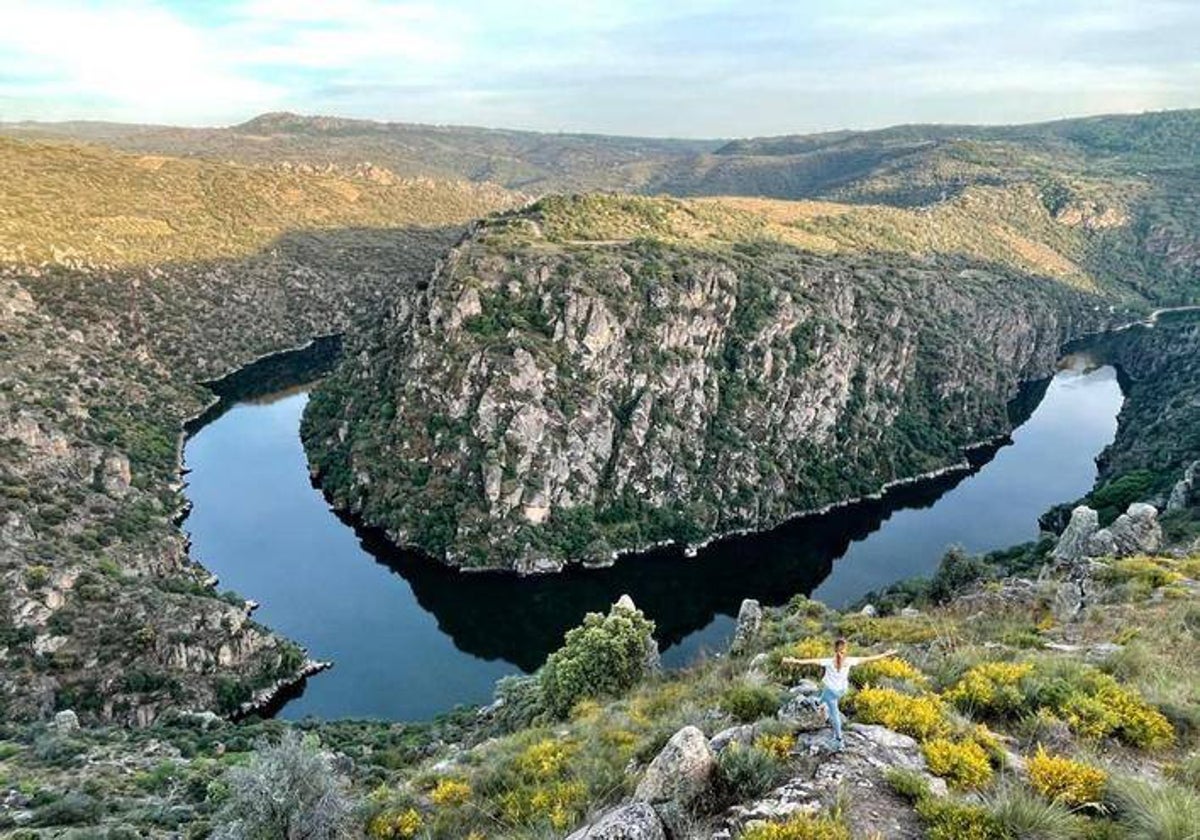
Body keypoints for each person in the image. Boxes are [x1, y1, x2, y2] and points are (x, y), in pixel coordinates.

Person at [782, 638, 898, 751]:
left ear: (834, 650)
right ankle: (820, 704)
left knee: (834, 713)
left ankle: (839, 739)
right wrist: (885, 654)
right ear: (845, 650)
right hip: (842, 690)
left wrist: (793, 660)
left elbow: (809, 661)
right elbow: (869, 659)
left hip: (831, 691)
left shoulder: (828, 661)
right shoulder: (849, 661)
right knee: (824, 696)